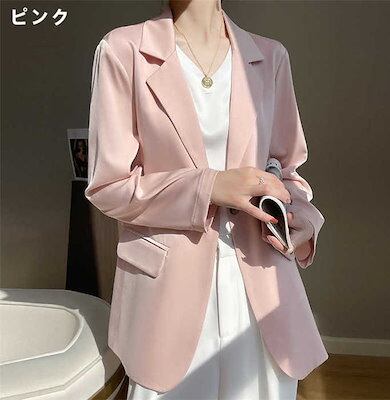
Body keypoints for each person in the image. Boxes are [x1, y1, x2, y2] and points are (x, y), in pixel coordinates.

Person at [85, 0, 328, 399]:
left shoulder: (270, 57)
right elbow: (109, 186)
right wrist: (209, 187)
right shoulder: (122, 50)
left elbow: (288, 173)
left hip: (261, 285)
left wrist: (302, 219)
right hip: (167, 294)